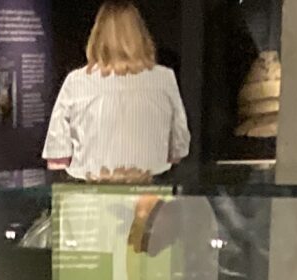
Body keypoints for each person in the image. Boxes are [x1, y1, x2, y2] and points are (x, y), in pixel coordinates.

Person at [43, 4, 191, 184]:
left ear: (97, 36)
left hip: (87, 198)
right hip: (151, 197)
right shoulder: (164, 79)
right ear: (141, 35)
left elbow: (57, 156)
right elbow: (179, 149)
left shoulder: (75, 82)